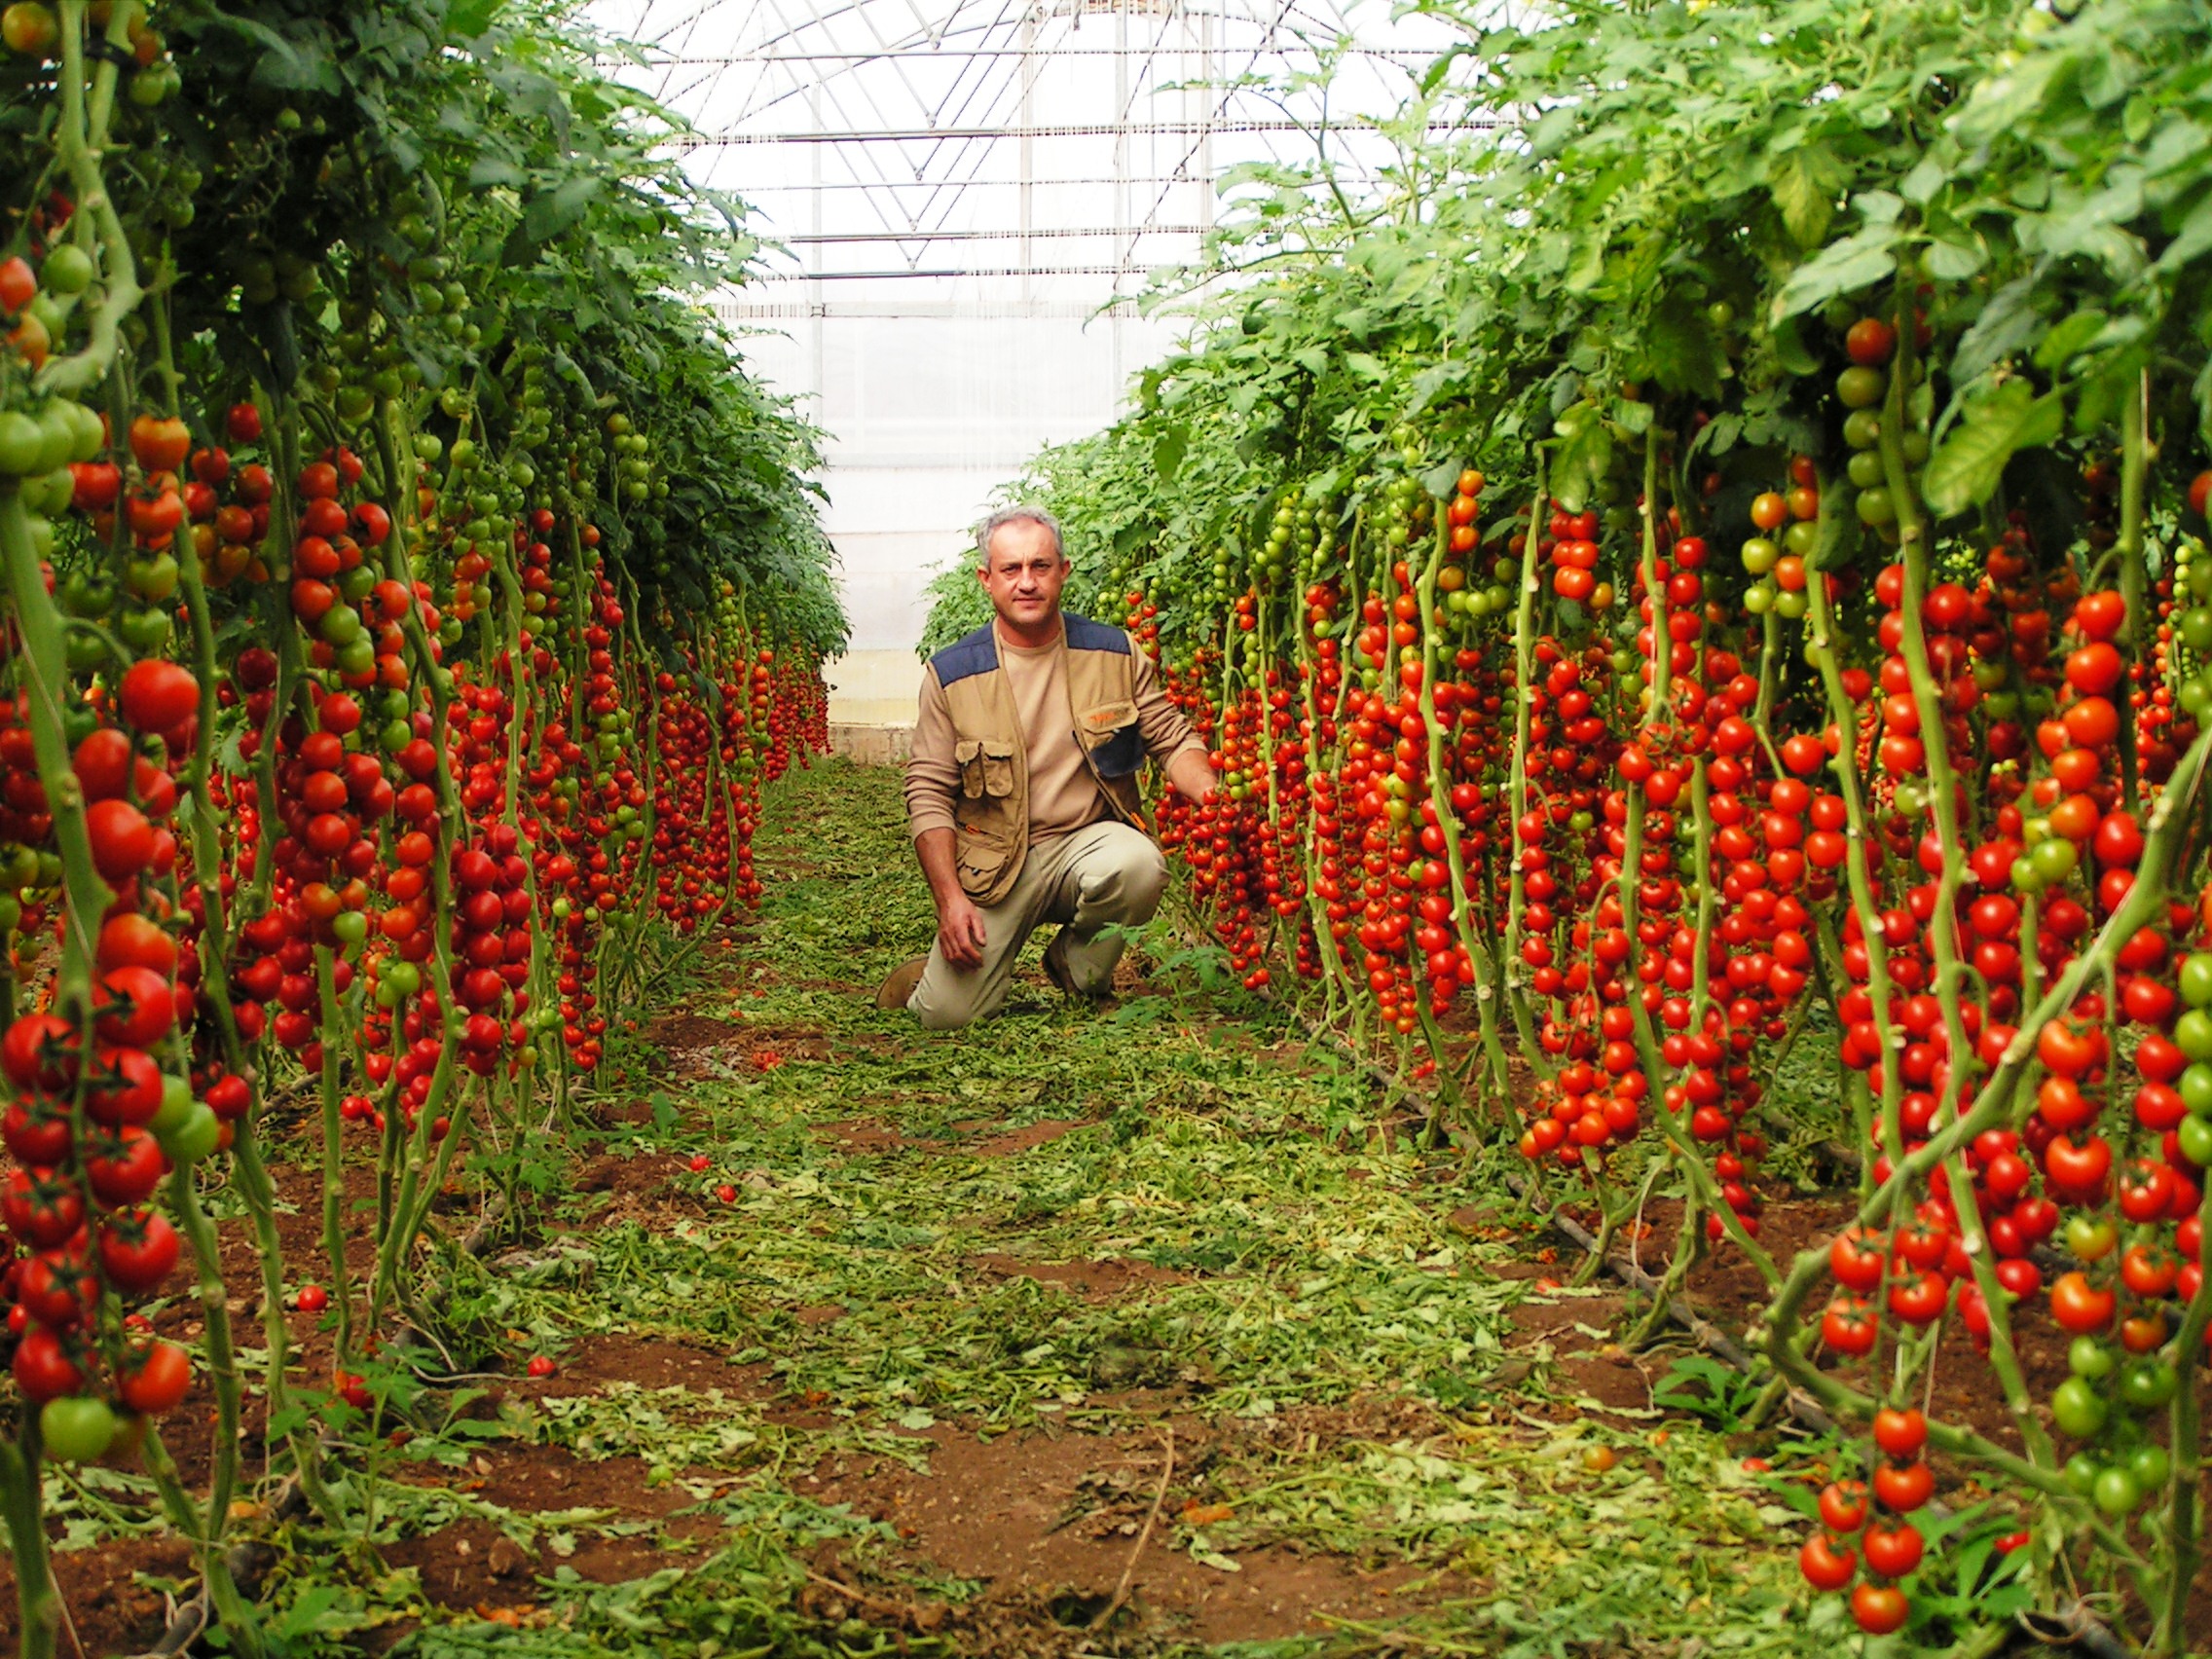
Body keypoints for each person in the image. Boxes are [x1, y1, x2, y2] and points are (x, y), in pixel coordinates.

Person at [876, 504, 1217, 1029]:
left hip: (1088, 842)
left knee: (1139, 865)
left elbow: (1170, 738)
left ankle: (1076, 970)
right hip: (994, 865)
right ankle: (929, 982)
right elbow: (928, 794)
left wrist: (1214, 795)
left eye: (1040, 566)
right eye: (1011, 570)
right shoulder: (953, 674)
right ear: (986, 580)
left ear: (1064, 571)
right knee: (947, 1018)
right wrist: (950, 901)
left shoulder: (1113, 653)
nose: (1027, 582)